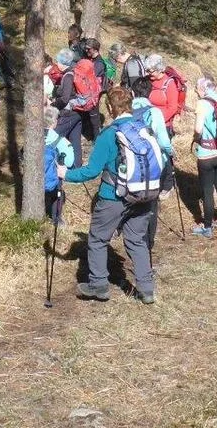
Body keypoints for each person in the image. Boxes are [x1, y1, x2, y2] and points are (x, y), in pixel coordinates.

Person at [61, 87, 156, 304]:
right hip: (143, 194)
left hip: (114, 196)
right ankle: (147, 289)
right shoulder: (144, 129)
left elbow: (91, 171)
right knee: (136, 240)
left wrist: (65, 173)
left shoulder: (109, 134)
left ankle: (99, 285)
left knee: (97, 238)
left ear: (111, 108)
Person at [130, 78, 174, 250]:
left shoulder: (127, 108)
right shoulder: (154, 112)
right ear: (150, 93)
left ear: (133, 93)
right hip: (155, 163)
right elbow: (163, 140)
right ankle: (149, 240)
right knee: (152, 202)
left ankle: (130, 233)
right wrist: (170, 152)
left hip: (133, 162)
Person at [191, 76, 217, 237]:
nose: (195, 91)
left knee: (207, 190)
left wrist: (195, 139)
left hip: (207, 153)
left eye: (197, 88)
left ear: (203, 88)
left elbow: (198, 129)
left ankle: (207, 228)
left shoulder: (202, 103)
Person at [50, 48, 87, 167]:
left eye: (58, 62)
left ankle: (26, 154)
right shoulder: (74, 71)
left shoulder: (68, 76)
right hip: (78, 111)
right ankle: (77, 166)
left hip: (68, 113)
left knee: (52, 134)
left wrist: (53, 104)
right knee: (75, 140)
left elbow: (65, 98)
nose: (56, 64)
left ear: (62, 63)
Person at [44, 106, 76, 225]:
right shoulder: (60, 141)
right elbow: (69, 162)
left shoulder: (33, 137)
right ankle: (56, 219)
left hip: (36, 177)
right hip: (52, 178)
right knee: (57, 194)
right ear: (55, 121)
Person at [144, 54, 182, 136]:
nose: (148, 74)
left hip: (163, 126)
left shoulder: (169, 84)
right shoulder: (148, 80)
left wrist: (156, 121)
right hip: (147, 124)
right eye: (147, 71)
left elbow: (172, 108)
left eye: (150, 71)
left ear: (159, 69)